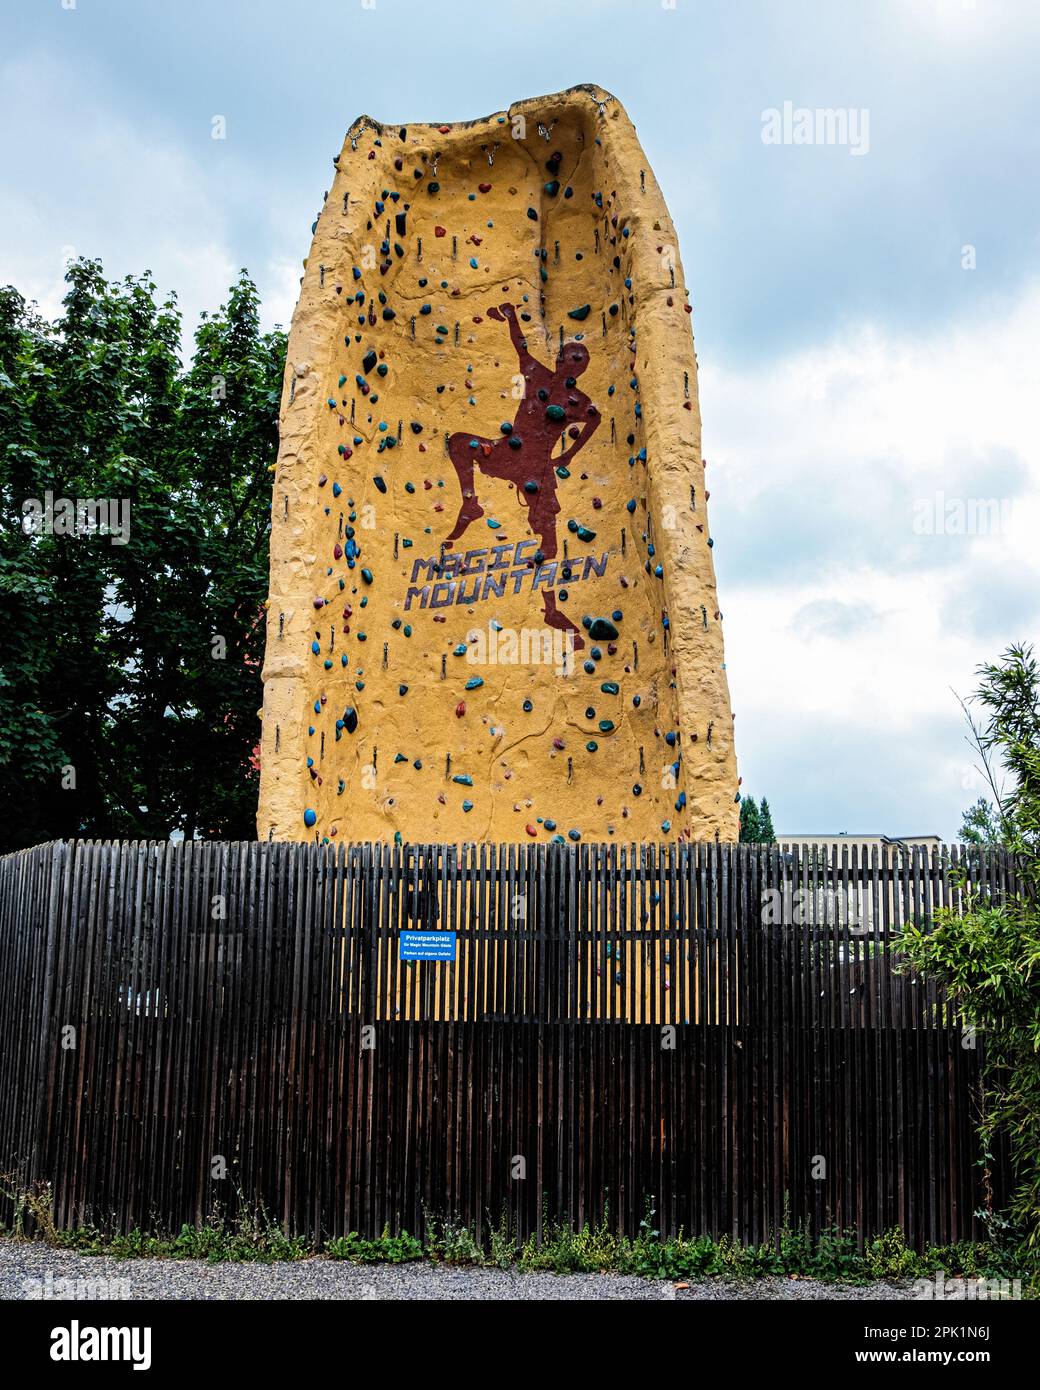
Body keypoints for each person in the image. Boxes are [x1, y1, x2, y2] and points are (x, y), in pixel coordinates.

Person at [444, 303, 600, 648]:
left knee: (548, 539)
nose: (571, 364)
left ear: (583, 369)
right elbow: (520, 346)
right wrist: (512, 317)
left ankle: (550, 609)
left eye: (579, 361)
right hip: (508, 451)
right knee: (459, 444)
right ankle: (470, 504)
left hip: (538, 470)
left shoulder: (578, 401)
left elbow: (595, 419)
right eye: (569, 357)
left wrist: (568, 456)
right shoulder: (537, 375)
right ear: (560, 360)